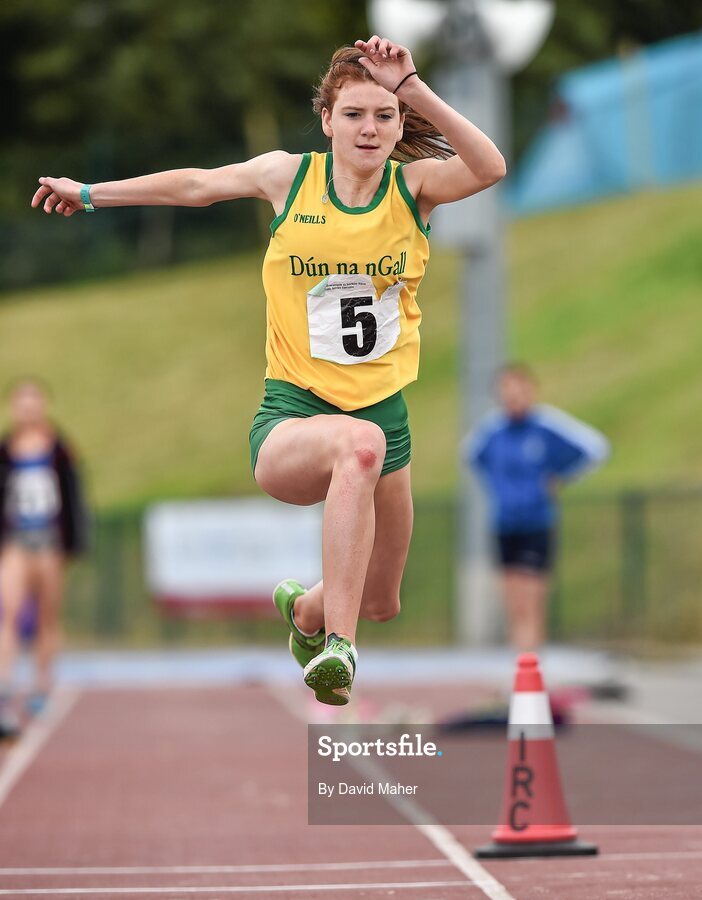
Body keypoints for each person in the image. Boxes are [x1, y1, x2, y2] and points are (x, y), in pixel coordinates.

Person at [31, 36, 506, 706]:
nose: (368, 129)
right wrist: (88, 192)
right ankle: (337, 649)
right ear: (326, 121)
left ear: (400, 123)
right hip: (294, 416)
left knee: (381, 599)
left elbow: (488, 166)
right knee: (355, 446)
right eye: (353, 115)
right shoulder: (288, 177)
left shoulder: (414, 188)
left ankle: (309, 613)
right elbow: (195, 185)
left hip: (384, 419)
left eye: (383, 116)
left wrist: (413, 87)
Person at [464, 363, 610, 652]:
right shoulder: (493, 430)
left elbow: (595, 447)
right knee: (513, 605)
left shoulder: (545, 426)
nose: (512, 397)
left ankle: (532, 668)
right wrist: (499, 487)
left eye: (518, 390)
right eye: (506, 391)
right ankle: (521, 669)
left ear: (530, 391)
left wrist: (561, 477)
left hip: (536, 523)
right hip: (505, 524)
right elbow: (471, 455)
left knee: (531, 603)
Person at [0, 378, 89, 737]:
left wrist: (73, 543)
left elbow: (73, 496)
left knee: (47, 617)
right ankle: (5, 686)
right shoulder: (6, 449)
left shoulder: (60, 448)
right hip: (17, 543)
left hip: (50, 542)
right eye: (21, 402)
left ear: (43, 405)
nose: (27, 408)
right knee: (9, 612)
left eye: (33, 401)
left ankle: (40, 685)